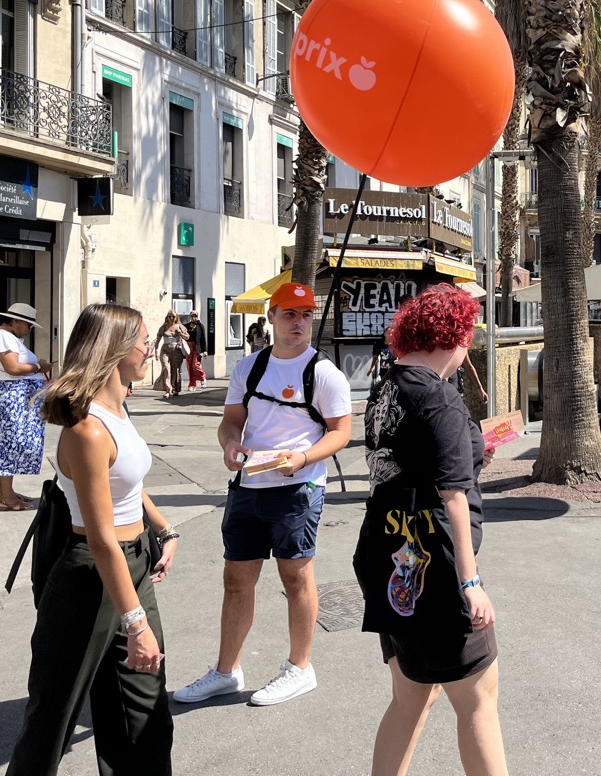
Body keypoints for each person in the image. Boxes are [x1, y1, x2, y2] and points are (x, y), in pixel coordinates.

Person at [7, 303, 177, 774]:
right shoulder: (86, 429)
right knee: (51, 723)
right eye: (144, 341)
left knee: (145, 717)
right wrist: (137, 624)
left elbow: (130, 484)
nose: (150, 350)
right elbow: (101, 538)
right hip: (91, 577)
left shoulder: (118, 407)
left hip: (134, 565)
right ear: (117, 348)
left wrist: (164, 527)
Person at [174, 281, 352, 707]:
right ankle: (226, 671)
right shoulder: (248, 368)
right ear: (271, 317)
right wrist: (229, 445)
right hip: (248, 486)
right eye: (290, 314)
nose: (300, 322)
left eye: (306, 314)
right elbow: (232, 421)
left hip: (297, 488)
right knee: (237, 581)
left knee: (296, 578)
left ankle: (300, 668)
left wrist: (305, 457)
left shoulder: (324, 372)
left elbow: (341, 433)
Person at [356, 284, 508, 776]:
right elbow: (453, 496)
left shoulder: (387, 386)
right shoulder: (439, 398)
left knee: (410, 699)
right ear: (457, 336)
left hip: (387, 555)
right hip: (435, 568)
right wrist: (471, 582)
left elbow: (412, 465)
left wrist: (474, 448)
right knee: (479, 700)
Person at [0, 303, 51, 511]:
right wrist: (39, 367)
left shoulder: (9, 338)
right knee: (9, 443)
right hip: (9, 397)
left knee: (14, 443)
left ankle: (7, 492)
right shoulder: (2, 337)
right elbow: (13, 367)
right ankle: (7, 497)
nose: (29, 330)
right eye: (28, 325)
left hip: (14, 397)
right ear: (16, 321)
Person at [152, 311, 188, 398]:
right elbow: (158, 339)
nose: (171, 318)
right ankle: (167, 390)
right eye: (169, 316)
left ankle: (176, 388)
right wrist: (156, 351)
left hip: (176, 350)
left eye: (173, 316)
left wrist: (181, 333)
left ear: (176, 318)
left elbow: (187, 337)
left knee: (175, 370)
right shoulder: (163, 327)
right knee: (166, 368)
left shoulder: (180, 326)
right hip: (165, 350)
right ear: (167, 317)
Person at [184, 310, 208, 391]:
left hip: (197, 347)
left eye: (196, 316)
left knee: (195, 365)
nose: (194, 317)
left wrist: (205, 350)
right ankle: (192, 384)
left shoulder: (200, 326)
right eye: (192, 316)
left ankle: (203, 377)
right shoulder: (186, 326)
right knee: (189, 366)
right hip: (188, 347)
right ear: (190, 317)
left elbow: (203, 338)